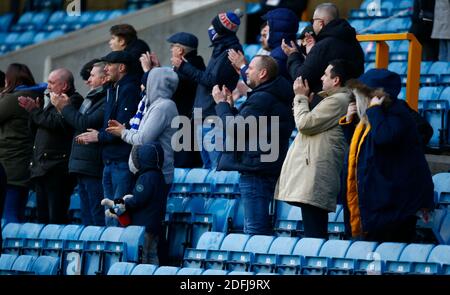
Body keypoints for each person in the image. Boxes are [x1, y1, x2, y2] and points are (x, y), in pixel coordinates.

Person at [340, 69, 435, 243]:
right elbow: (363, 151)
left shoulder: (395, 113)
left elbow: (384, 138)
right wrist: (349, 123)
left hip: (392, 208)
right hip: (378, 206)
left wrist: (374, 110)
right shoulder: (375, 117)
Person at [213, 55, 294, 235]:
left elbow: (237, 130)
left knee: (255, 230)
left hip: (256, 169)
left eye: (250, 68)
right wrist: (231, 108)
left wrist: (221, 106)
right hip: (263, 166)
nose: (246, 71)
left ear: (263, 73)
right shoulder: (272, 95)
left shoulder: (262, 98)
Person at [275, 59, 355, 239]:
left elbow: (304, 124)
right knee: (313, 228)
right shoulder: (335, 99)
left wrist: (301, 98)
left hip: (316, 173)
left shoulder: (339, 100)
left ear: (336, 80)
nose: (321, 77)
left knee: (315, 233)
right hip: (314, 171)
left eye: (326, 74)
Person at [76, 51, 140, 226]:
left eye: (109, 65)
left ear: (121, 67)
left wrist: (99, 136)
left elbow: (121, 127)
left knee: (117, 214)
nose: (106, 69)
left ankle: (118, 249)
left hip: (121, 161)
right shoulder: (113, 88)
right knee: (108, 213)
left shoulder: (129, 89)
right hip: (109, 160)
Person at [173, 10, 243, 169]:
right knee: (207, 168)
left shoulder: (230, 52)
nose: (210, 29)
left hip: (213, 117)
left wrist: (184, 66)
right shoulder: (220, 49)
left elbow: (213, 81)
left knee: (216, 168)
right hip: (203, 116)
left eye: (213, 25)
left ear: (220, 29)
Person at [18, 68, 83, 224]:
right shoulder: (52, 101)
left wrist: (35, 111)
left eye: (52, 82)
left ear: (65, 86)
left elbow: (57, 123)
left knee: (56, 217)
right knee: (42, 217)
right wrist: (34, 111)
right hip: (42, 167)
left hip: (57, 169)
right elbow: (38, 129)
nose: (48, 86)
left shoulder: (72, 100)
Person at [51, 62, 109, 226]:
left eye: (92, 76)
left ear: (104, 79)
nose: (88, 80)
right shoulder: (92, 98)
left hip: (92, 164)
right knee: (86, 215)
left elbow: (84, 123)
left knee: (96, 215)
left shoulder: (105, 100)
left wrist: (64, 108)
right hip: (81, 162)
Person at [106, 67, 178, 189]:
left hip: (157, 175)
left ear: (155, 84)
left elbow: (143, 139)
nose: (142, 86)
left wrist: (123, 132)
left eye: (147, 83)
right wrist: (124, 129)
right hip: (147, 173)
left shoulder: (163, 107)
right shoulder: (153, 105)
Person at [102, 142, 167, 265]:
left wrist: (125, 201)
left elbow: (138, 200)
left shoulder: (146, 178)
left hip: (144, 227)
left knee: (143, 256)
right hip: (155, 225)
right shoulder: (160, 176)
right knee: (152, 254)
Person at [281, 3, 365, 94]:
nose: (312, 25)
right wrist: (311, 54)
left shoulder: (324, 45)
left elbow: (301, 77)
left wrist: (293, 55)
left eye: (313, 21)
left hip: (328, 101)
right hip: (352, 97)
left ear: (321, 23)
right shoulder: (352, 40)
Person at [0, 64, 46, 223]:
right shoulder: (35, 95)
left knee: (9, 214)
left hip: (10, 162)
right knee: (17, 211)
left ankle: (8, 246)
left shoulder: (14, 98)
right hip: (23, 160)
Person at [165, 32, 205, 168]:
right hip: (187, 119)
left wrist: (150, 71)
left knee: (183, 163)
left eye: (173, 46)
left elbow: (171, 88)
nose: (171, 50)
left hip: (185, 120)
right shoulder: (196, 64)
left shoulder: (188, 67)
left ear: (180, 50)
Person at [229, 8, 299, 81]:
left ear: (278, 30)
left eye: (269, 24)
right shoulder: (285, 49)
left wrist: (243, 66)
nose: (260, 39)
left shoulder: (279, 57)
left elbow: (259, 82)